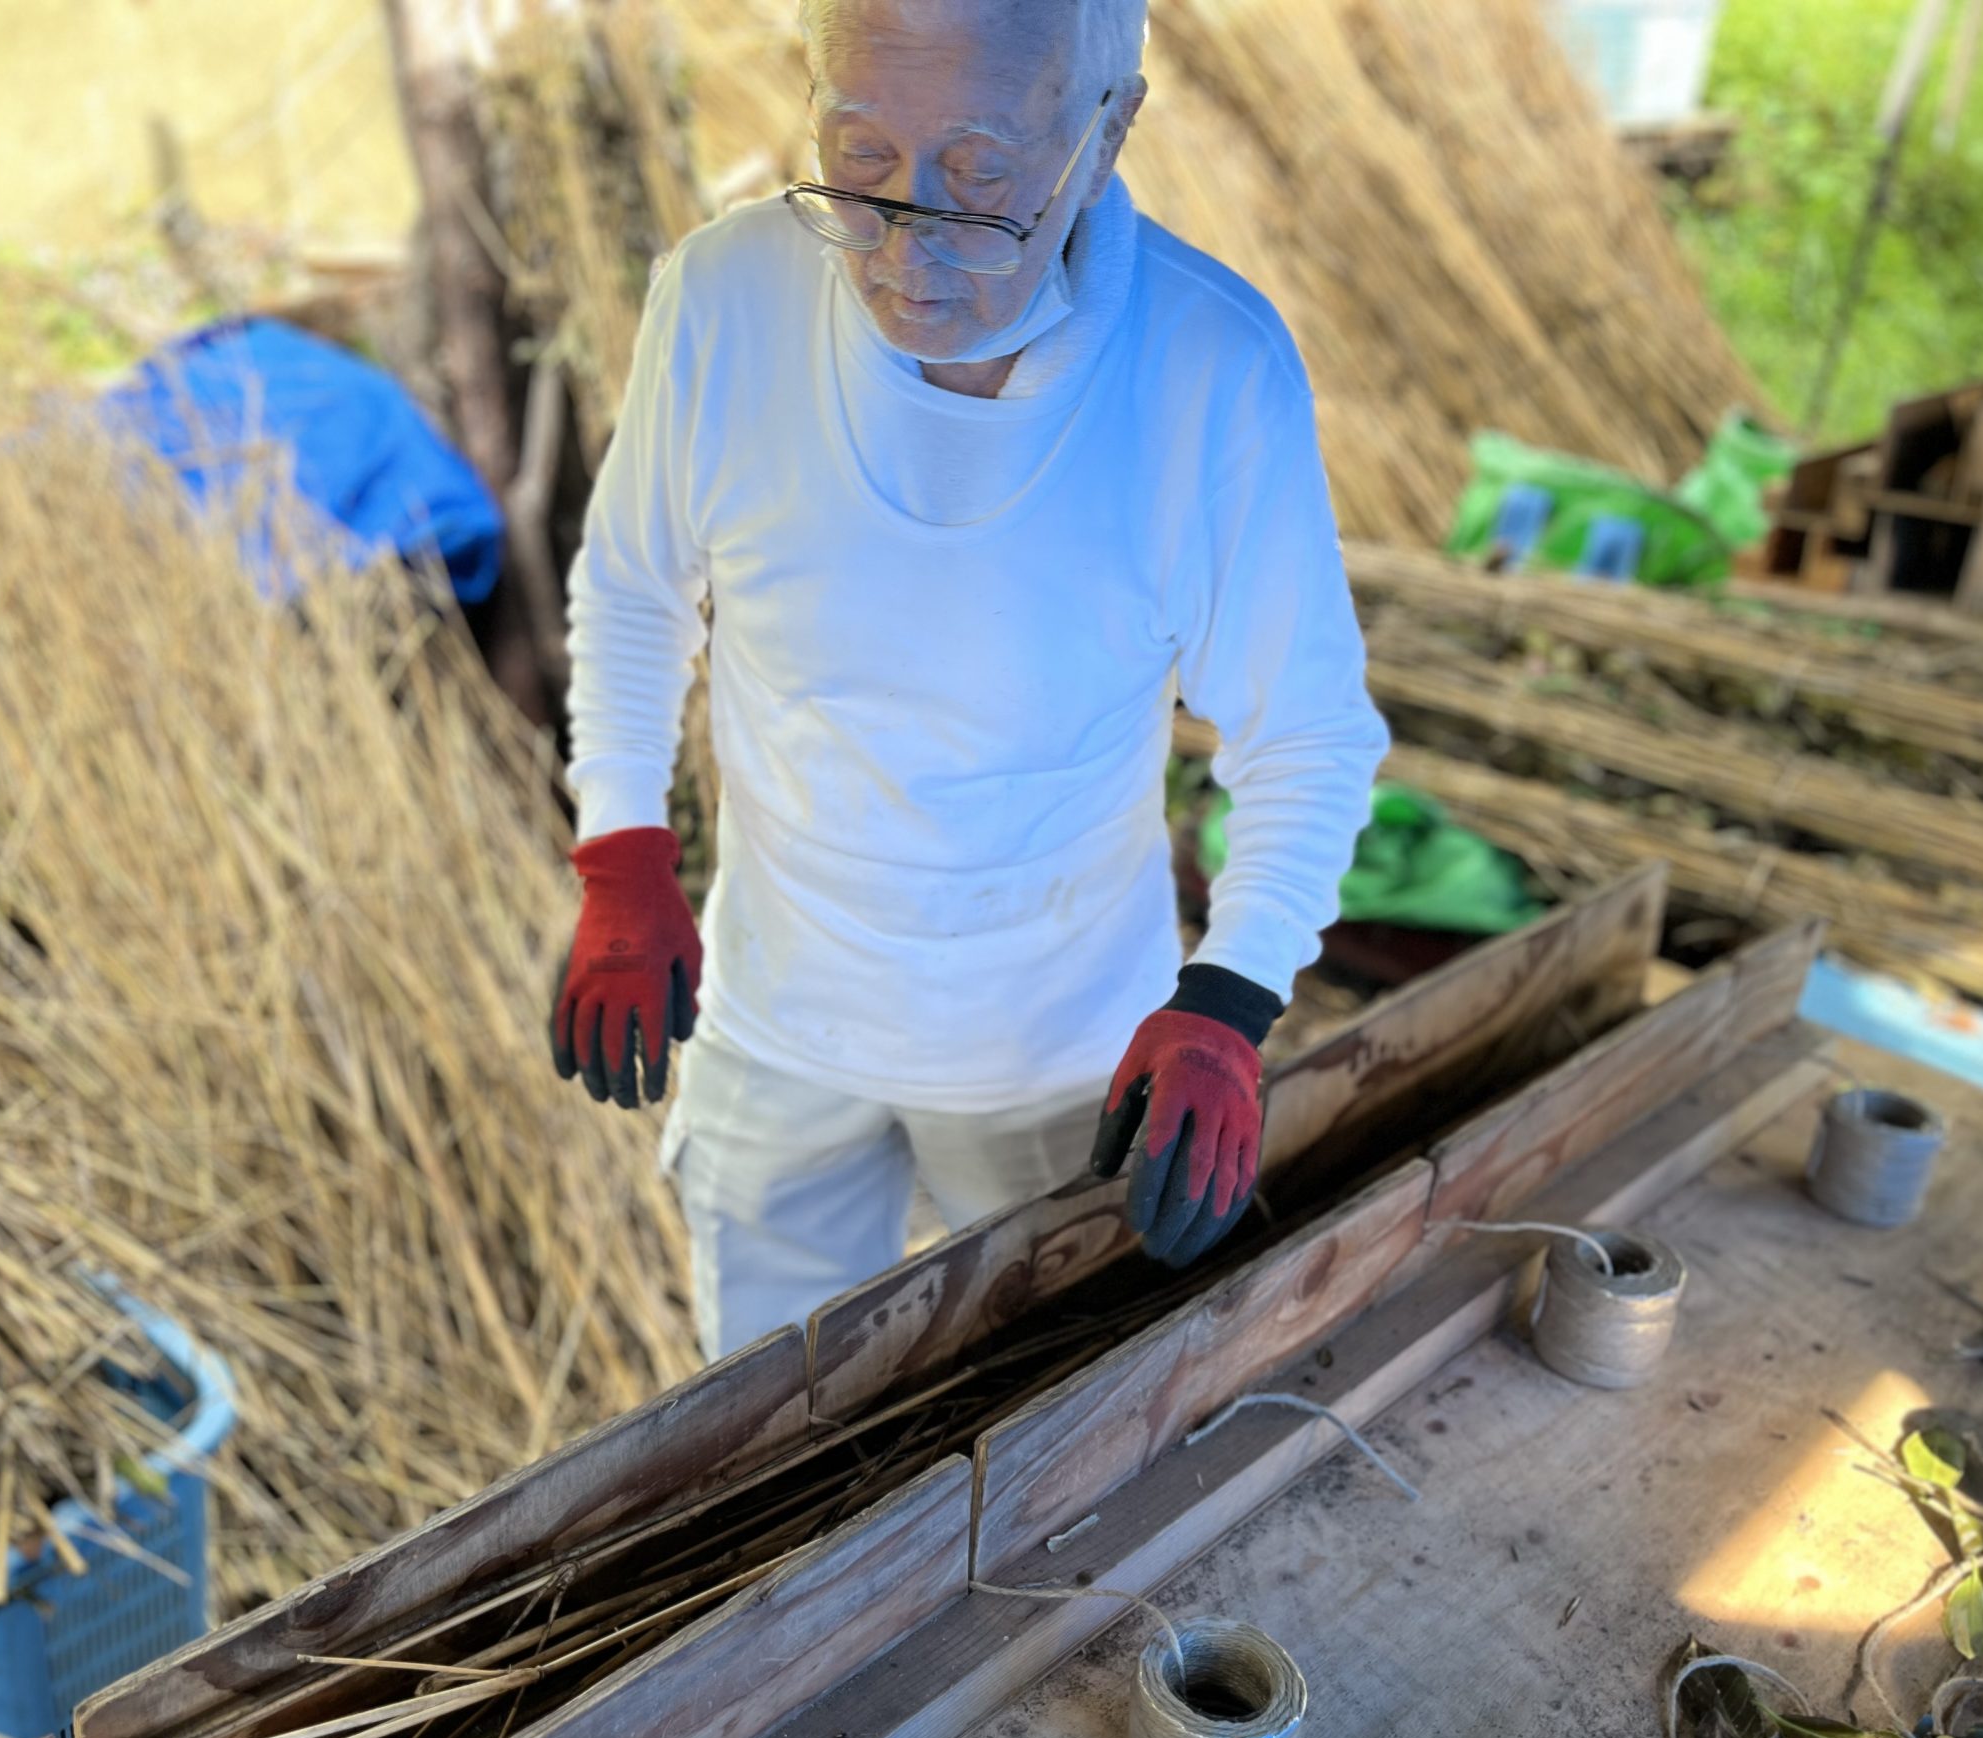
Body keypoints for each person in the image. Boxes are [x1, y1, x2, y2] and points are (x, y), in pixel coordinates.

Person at [548, 0, 1389, 1360]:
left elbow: (1303, 731)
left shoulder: (1206, 369)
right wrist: (623, 850)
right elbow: (634, 588)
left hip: (1062, 1046)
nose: (905, 252)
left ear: (1106, 133)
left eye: (981, 181)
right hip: (782, 1014)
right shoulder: (726, 299)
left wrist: (1231, 998)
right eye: (860, 164)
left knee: (1058, 1398)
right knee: (761, 1407)